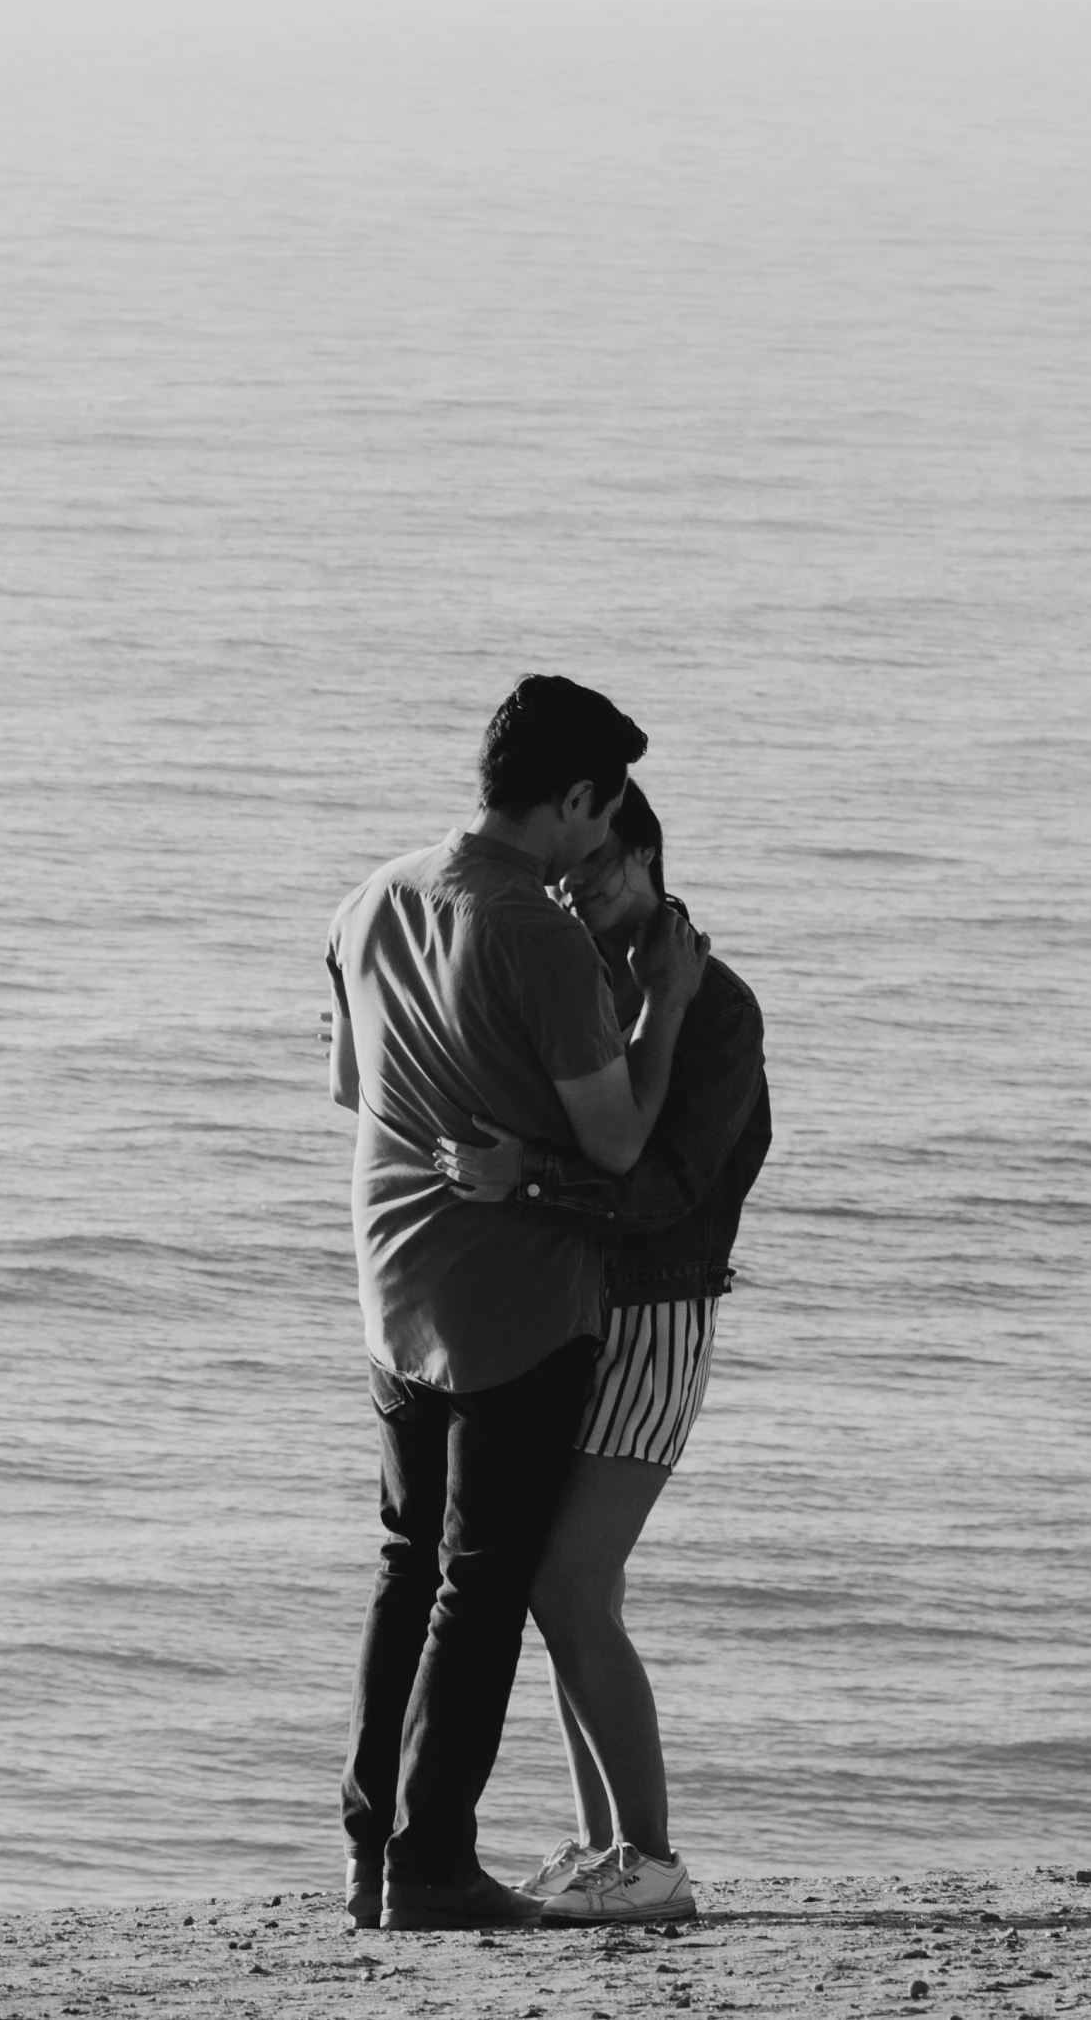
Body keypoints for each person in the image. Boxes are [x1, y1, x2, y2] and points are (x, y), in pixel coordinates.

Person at [325, 675, 709, 1934]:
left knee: (402, 1568)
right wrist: (659, 1017)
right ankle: (434, 1865)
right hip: (512, 1306)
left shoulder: (373, 894)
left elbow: (353, 1086)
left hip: (392, 1282)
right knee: (478, 1586)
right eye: (596, 819)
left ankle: (369, 1853)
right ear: (578, 799)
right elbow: (614, 1146)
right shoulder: (539, 937)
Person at [432, 780, 770, 1925]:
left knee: (567, 1579)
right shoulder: (584, 985)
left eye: (604, 873)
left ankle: (655, 1862)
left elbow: (668, 1190)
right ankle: (603, 1844)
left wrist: (523, 1175)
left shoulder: (713, 1006)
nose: (582, 893)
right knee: (571, 1589)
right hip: (578, 1313)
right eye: (571, 877)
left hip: (658, 1315)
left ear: (649, 861)